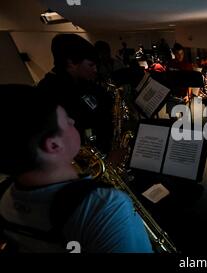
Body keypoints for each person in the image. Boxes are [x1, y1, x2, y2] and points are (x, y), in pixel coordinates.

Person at [0, 84, 153, 253]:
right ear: (53, 145)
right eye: (66, 120)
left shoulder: (6, 200)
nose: (72, 121)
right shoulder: (104, 207)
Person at [37, 34, 114, 154]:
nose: (95, 70)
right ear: (71, 63)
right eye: (91, 65)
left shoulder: (81, 81)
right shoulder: (49, 91)